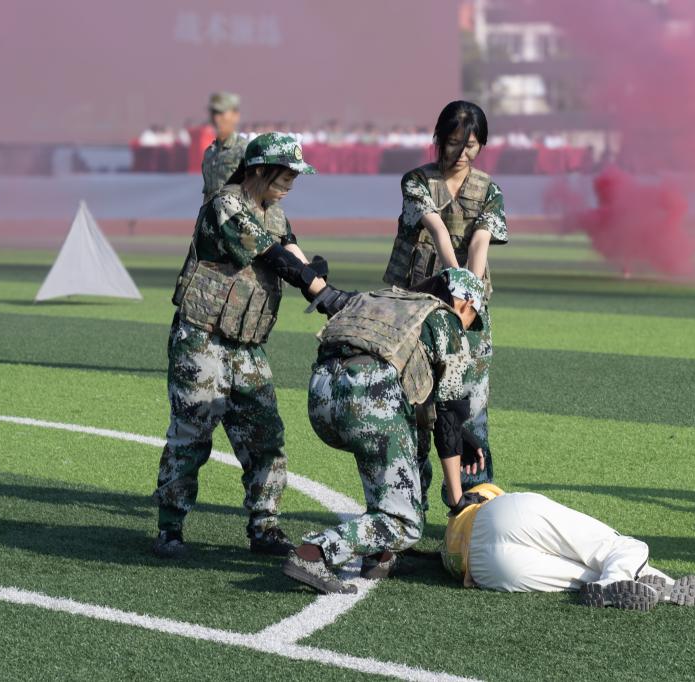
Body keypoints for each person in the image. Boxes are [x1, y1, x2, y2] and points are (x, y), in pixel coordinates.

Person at [151, 132, 355, 559]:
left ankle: (264, 527)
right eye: (287, 174)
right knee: (191, 435)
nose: (292, 183)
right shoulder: (225, 205)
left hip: (247, 348)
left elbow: (294, 255)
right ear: (260, 169)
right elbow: (272, 256)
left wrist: (321, 287)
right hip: (202, 338)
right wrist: (317, 285)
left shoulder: (276, 215)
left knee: (266, 437)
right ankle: (170, 527)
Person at [282, 268, 489, 594]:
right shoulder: (446, 320)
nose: (468, 325)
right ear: (465, 303)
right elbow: (448, 418)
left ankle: (381, 555)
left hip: (322, 398)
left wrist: (462, 436)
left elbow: (424, 401)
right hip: (369, 401)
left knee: (415, 439)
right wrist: (457, 498)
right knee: (406, 523)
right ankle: (315, 552)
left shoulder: (387, 299)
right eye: (472, 316)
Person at [382, 100, 508, 505]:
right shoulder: (417, 181)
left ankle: (473, 507)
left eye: (471, 145)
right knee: (414, 407)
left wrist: (468, 295)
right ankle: (405, 508)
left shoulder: (488, 190)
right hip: (416, 309)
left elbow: (481, 241)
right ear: (438, 139)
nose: (462, 153)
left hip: (468, 315)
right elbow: (436, 230)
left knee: (472, 410)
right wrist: (456, 282)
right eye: (454, 143)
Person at [441, 484, 695, 611]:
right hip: (503, 513)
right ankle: (658, 583)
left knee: (588, 578)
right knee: (622, 547)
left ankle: (640, 584)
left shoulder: (445, 549)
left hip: (482, 568)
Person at [202, 91, 247, 204]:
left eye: (221, 113)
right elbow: (208, 194)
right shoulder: (210, 153)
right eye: (214, 113)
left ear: (235, 115)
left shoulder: (245, 150)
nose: (216, 118)